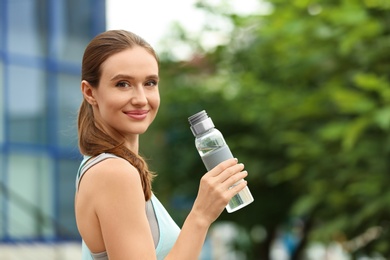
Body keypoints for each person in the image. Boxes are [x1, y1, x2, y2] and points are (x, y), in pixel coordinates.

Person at [74, 29, 248, 260]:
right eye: (123, 84)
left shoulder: (106, 168)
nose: (141, 99)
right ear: (90, 92)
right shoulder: (114, 173)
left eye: (150, 83)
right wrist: (201, 215)